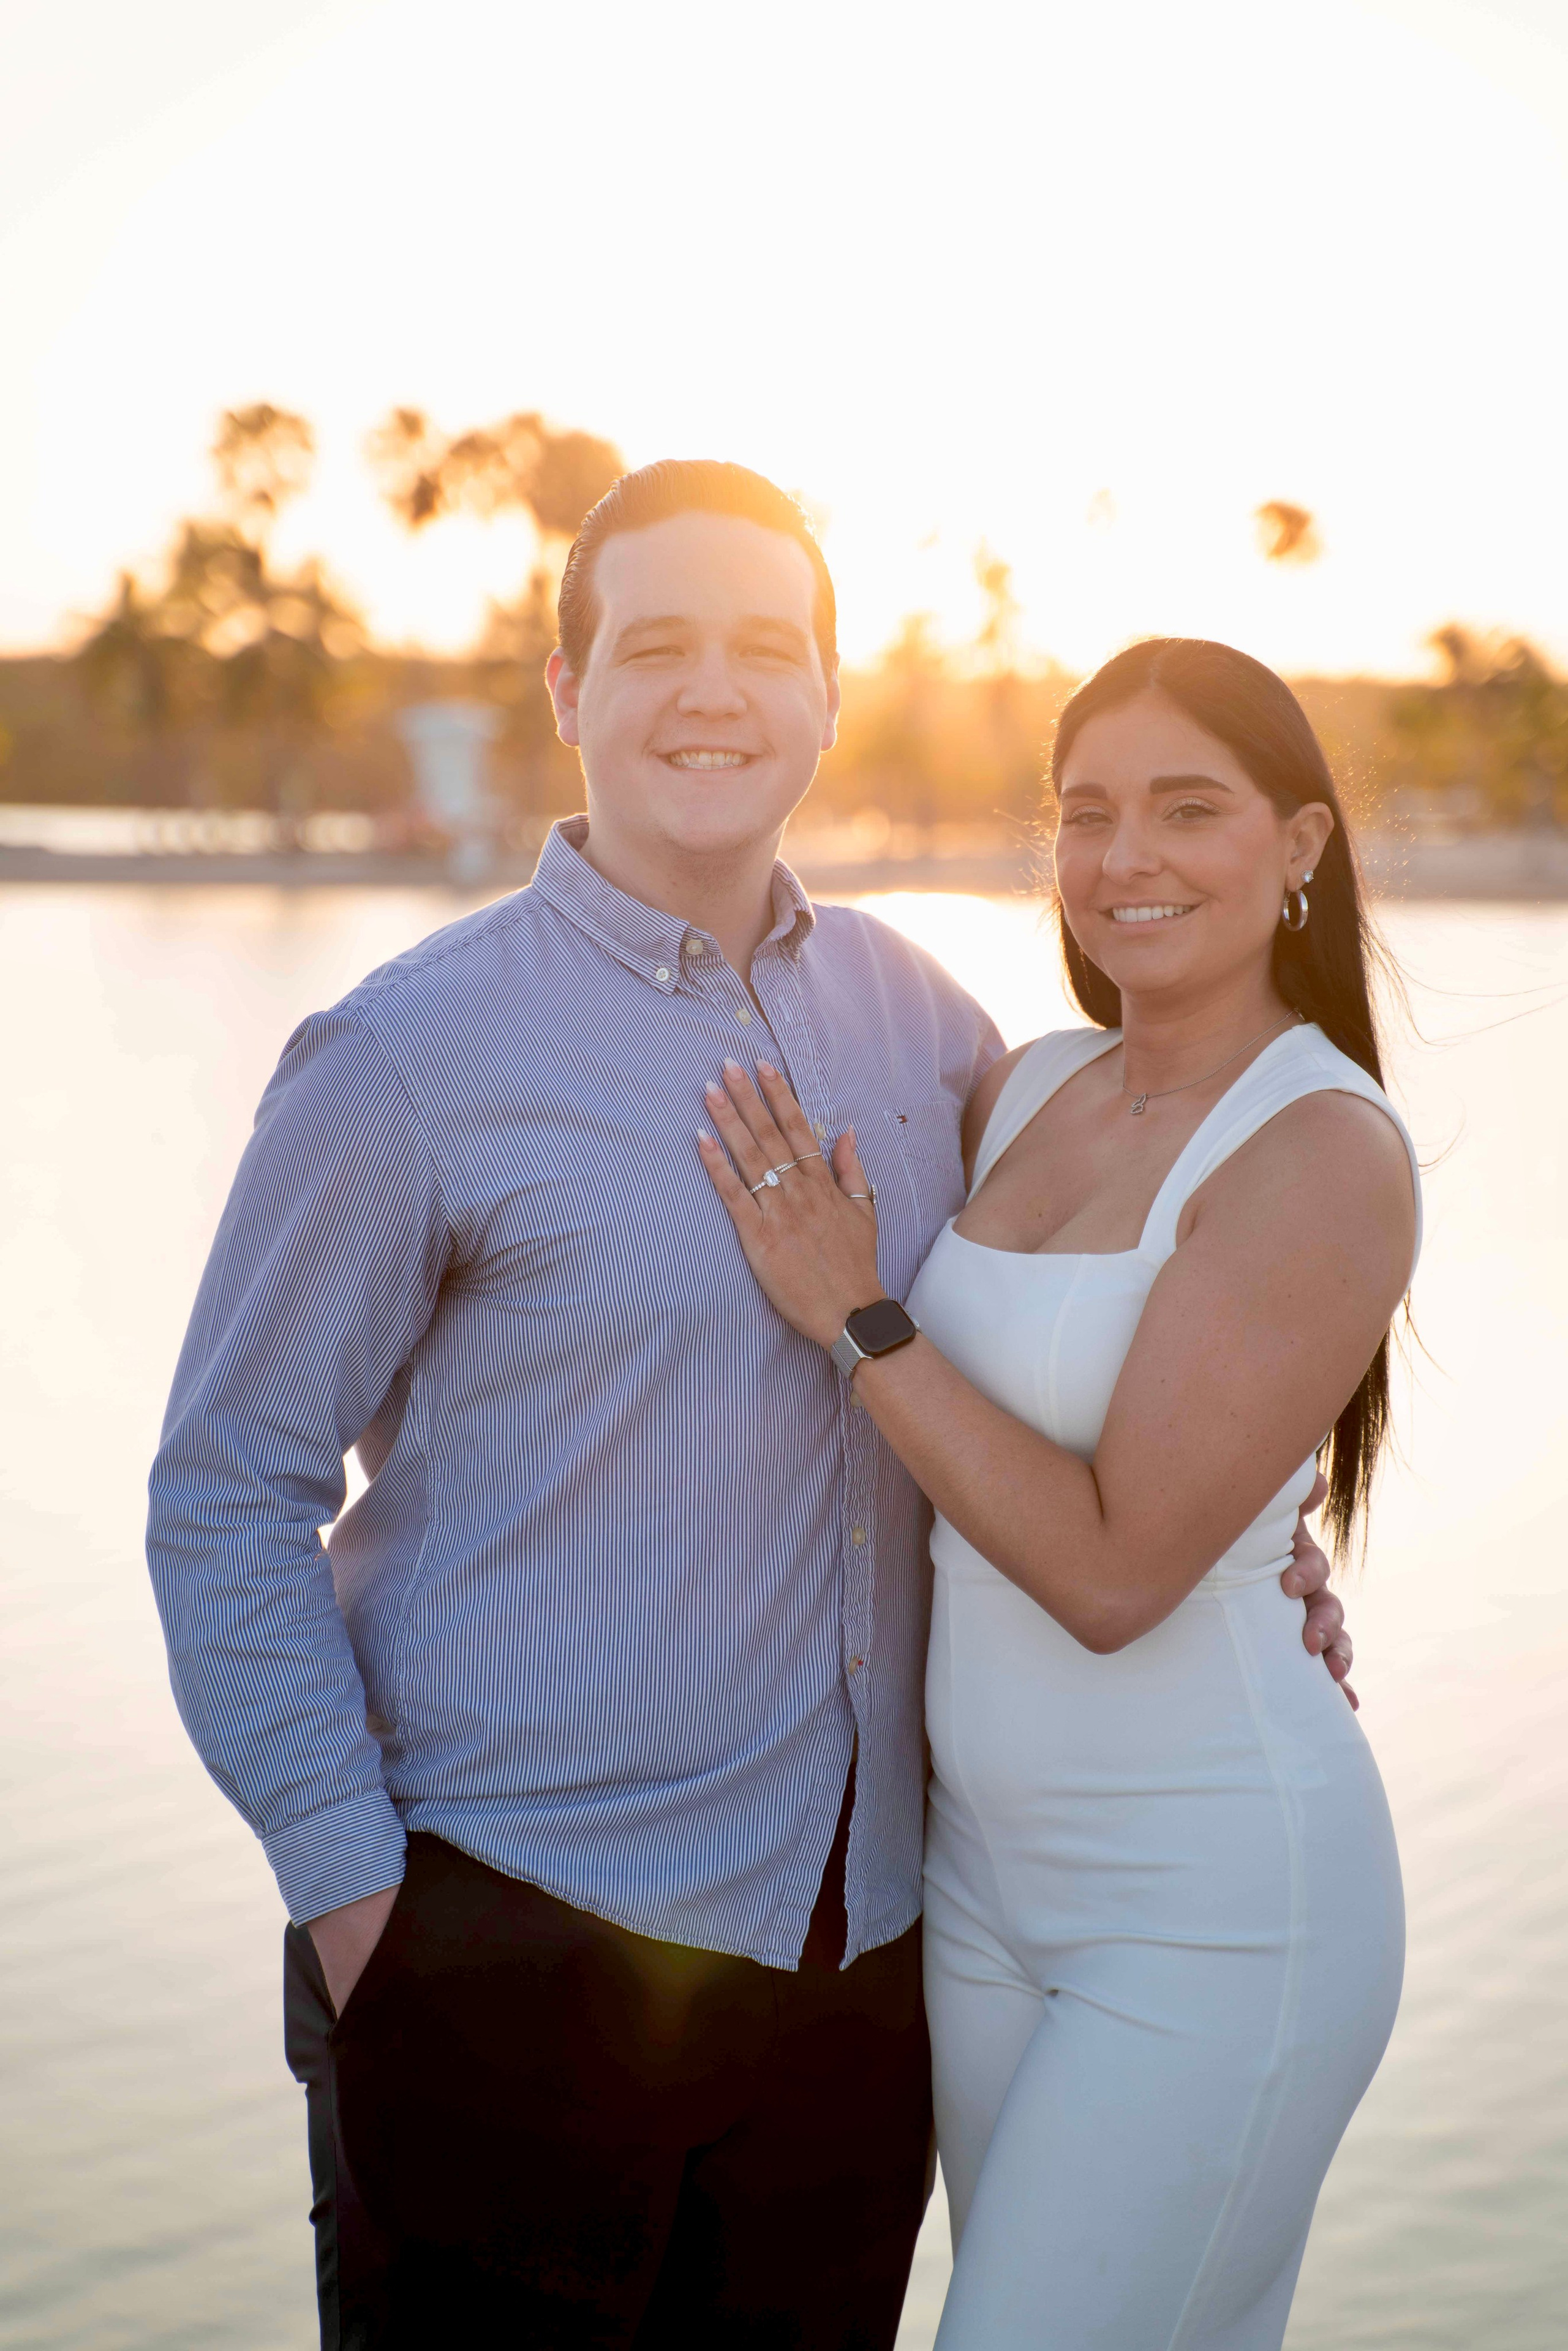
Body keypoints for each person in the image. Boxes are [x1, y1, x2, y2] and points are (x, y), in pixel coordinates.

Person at [146, 472, 1355, 2350]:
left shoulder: (927, 1028)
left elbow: (1084, 1327)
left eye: (762, 649)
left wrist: (1262, 1541)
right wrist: (358, 1908)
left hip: (857, 1989)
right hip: (503, 1949)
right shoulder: (407, 1055)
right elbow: (227, 1493)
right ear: (568, 689)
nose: (713, 694)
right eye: (657, 647)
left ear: (827, 695)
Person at [698, 636, 1417, 2349]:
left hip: (1216, 1908)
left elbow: (1110, 1578)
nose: (1127, 861)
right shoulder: (1021, 1086)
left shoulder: (1323, 1146)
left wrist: (856, 1318)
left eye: (1190, 809)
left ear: (1302, 841)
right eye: (1087, 816)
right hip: (983, 1894)